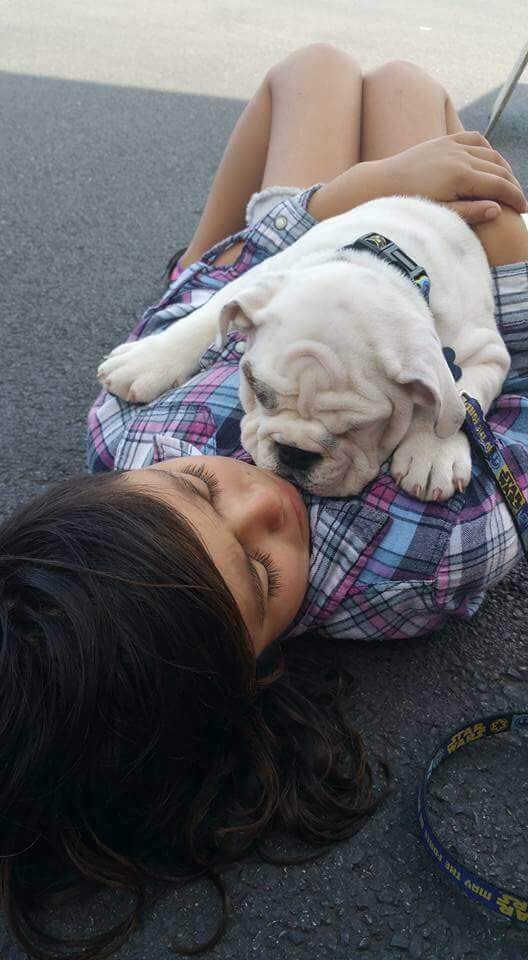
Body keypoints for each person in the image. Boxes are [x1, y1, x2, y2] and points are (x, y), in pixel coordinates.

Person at [1, 44, 528, 960]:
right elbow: (505, 423)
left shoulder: (123, 432)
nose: (263, 491)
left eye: (198, 482)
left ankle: (370, 177)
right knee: (408, 93)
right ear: (246, 678)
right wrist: (452, 401)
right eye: (257, 568)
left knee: (316, 70)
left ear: (106, 485)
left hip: (268, 278)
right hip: (457, 317)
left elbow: (217, 286)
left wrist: (352, 193)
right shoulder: (409, 558)